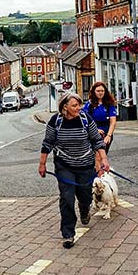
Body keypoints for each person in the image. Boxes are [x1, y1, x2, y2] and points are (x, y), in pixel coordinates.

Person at [38, 93, 109, 249]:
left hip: (85, 165)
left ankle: (84, 210)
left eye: (79, 105)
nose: (79, 108)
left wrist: (103, 160)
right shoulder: (55, 121)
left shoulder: (85, 119)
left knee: (85, 197)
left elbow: (97, 140)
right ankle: (68, 234)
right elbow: (47, 143)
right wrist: (42, 164)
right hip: (64, 166)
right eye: (74, 105)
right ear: (65, 107)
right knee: (67, 198)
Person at [83, 81, 118, 147]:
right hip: (93, 134)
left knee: (103, 155)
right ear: (94, 92)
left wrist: (109, 135)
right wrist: (95, 130)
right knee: (96, 156)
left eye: (102, 91)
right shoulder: (89, 104)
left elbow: (113, 122)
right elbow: (84, 120)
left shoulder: (109, 104)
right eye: (98, 91)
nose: (100, 93)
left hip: (106, 134)